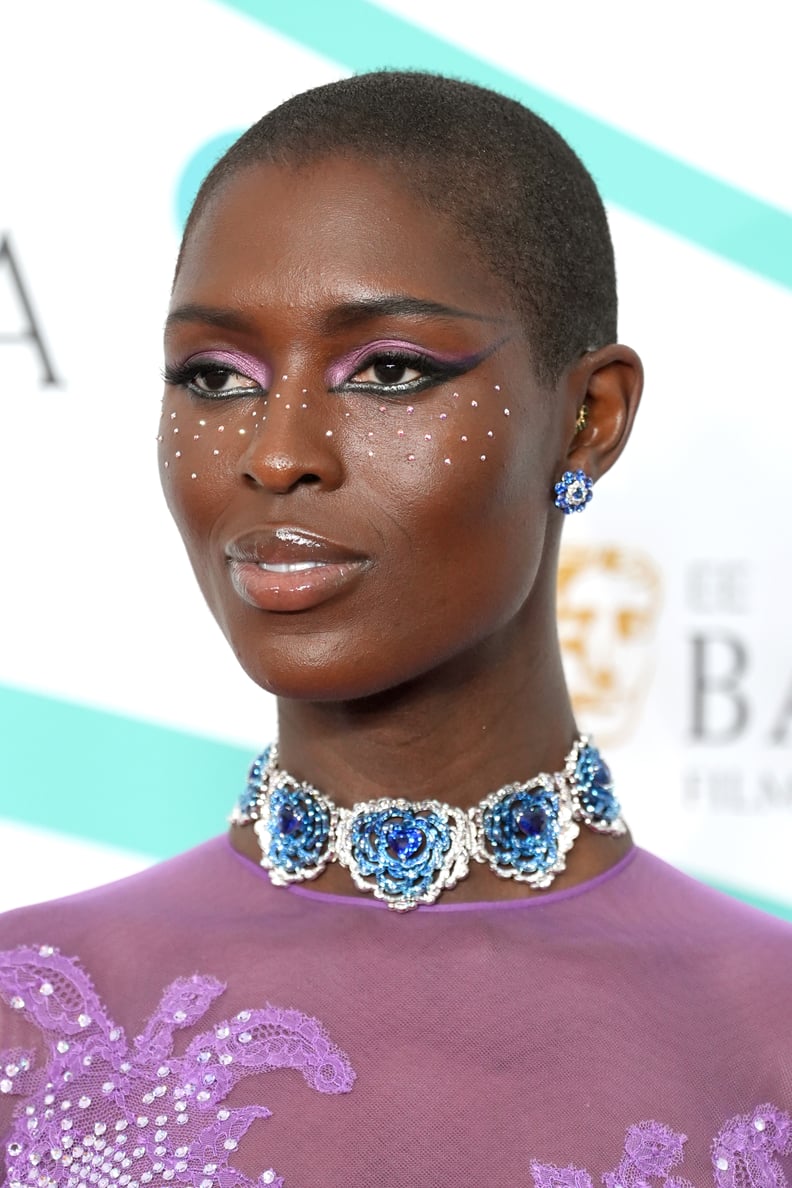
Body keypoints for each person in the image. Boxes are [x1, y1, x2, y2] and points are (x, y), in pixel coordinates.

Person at [0, 72, 790, 1188]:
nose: (277, 455)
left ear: (589, 419)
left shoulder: (768, 1038)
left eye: (388, 371)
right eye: (215, 377)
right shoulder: (25, 1016)